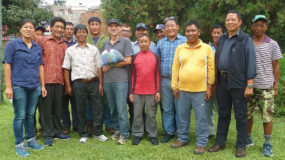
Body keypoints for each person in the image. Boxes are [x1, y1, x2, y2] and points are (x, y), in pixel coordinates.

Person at [208, 10, 256, 158]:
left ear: (240, 22)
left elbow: (251, 62)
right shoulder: (222, 38)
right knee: (223, 113)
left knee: (241, 115)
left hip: (238, 81)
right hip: (222, 81)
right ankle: (220, 142)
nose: (230, 22)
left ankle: (241, 145)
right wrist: (214, 81)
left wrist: (250, 84)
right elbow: (217, 60)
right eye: (228, 19)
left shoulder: (245, 39)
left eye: (233, 20)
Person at [170, 21, 215, 154]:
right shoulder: (180, 48)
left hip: (201, 90)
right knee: (182, 116)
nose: (190, 33)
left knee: (201, 118)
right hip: (182, 90)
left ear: (199, 32)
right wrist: (174, 86)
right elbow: (175, 68)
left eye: (193, 30)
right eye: (188, 31)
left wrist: (210, 87)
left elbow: (211, 69)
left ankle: (201, 143)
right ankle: (183, 138)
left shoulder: (206, 48)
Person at [4, 19, 46, 157]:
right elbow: (7, 65)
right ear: (20, 29)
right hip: (18, 86)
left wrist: (43, 85)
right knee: (20, 115)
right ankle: (19, 145)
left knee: (30, 115)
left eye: (31, 27)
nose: (28, 29)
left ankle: (30, 141)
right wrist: (9, 86)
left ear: (34, 30)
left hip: (34, 86)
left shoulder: (37, 47)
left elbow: (40, 67)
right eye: (25, 27)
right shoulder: (12, 45)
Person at [62, 24, 108, 143]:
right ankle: (84, 133)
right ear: (75, 35)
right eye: (79, 32)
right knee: (80, 109)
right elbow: (66, 68)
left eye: (83, 32)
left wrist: (101, 84)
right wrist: (68, 86)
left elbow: (99, 67)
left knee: (97, 108)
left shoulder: (94, 49)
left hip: (94, 82)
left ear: (86, 34)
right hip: (78, 84)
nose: (81, 34)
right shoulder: (70, 50)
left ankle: (98, 132)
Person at [247, 15, 282, 157]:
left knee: (267, 116)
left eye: (262, 25)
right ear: (252, 27)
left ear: (266, 27)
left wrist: (275, 86)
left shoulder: (272, 44)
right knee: (247, 114)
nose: (259, 28)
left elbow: (276, 67)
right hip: (248, 86)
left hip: (266, 87)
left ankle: (267, 144)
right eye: (256, 25)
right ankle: (247, 138)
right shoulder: (247, 42)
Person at [36, 17, 71, 146]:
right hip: (46, 81)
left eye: (62, 27)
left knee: (58, 109)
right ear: (51, 27)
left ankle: (57, 131)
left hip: (59, 81)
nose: (59, 29)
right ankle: (48, 134)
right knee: (46, 110)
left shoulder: (65, 46)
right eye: (57, 26)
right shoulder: (42, 41)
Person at [102, 19, 133, 145]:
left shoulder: (126, 41)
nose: (113, 28)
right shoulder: (105, 43)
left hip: (121, 80)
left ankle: (124, 134)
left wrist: (112, 66)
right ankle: (117, 130)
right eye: (111, 26)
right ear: (108, 28)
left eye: (116, 26)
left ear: (120, 28)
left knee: (121, 109)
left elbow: (128, 60)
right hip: (108, 80)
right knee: (113, 108)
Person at [156, 16, 186, 143]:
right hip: (165, 80)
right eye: (167, 26)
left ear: (178, 27)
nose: (170, 28)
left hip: (180, 81)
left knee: (180, 108)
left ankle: (181, 132)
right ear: (165, 29)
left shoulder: (185, 41)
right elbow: (157, 62)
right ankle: (169, 131)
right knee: (167, 108)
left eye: (172, 25)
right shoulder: (161, 43)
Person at [129, 33, 161, 146]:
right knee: (137, 114)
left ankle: (152, 134)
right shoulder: (135, 57)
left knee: (151, 114)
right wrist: (131, 92)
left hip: (151, 91)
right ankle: (137, 134)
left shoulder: (155, 56)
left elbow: (157, 75)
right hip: (137, 91)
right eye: (141, 41)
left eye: (145, 41)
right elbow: (132, 75)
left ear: (150, 43)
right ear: (138, 43)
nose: (143, 43)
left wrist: (158, 91)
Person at [86, 17, 114, 134]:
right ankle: (90, 123)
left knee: (105, 100)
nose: (95, 27)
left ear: (100, 26)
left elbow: (111, 55)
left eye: (97, 24)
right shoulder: (84, 38)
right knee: (89, 101)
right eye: (92, 24)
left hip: (104, 74)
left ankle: (108, 124)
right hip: (89, 74)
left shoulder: (107, 40)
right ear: (89, 26)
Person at [62, 21, 78, 134]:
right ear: (63, 30)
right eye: (67, 28)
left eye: (71, 29)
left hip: (75, 78)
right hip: (62, 78)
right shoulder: (60, 43)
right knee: (63, 105)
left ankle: (77, 125)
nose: (69, 31)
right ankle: (66, 125)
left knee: (76, 103)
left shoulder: (77, 45)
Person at [208, 24, 224, 138]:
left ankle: (222, 132)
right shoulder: (208, 48)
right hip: (209, 83)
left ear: (223, 34)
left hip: (222, 83)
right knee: (209, 108)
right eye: (214, 32)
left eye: (219, 33)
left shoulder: (226, 46)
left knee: (222, 109)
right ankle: (210, 131)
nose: (216, 35)